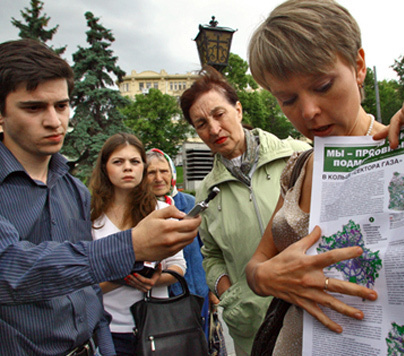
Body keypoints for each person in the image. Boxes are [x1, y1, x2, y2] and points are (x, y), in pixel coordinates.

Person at [245, 1, 404, 355]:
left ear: (359, 66)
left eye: (322, 86)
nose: (308, 111)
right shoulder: (298, 168)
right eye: (287, 99)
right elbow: (258, 262)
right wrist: (264, 278)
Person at [0, 38, 200, 356]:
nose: (54, 121)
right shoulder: (91, 202)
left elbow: (88, 293)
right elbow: (10, 270)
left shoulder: (73, 191)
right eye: (34, 107)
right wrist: (131, 246)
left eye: (62, 106)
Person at [179, 66, 311, 356]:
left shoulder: (299, 156)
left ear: (238, 109)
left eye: (219, 114)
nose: (213, 129)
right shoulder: (206, 193)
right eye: (201, 123)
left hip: (311, 315)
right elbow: (210, 255)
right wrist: (230, 293)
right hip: (251, 328)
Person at [90, 133, 187, 355]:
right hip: (109, 330)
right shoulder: (91, 217)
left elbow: (179, 266)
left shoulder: (162, 211)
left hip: (157, 325)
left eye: (134, 162)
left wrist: (155, 280)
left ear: (143, 167)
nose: (128, 168)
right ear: (105, 168)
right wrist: (124, 279)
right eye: (118, 162)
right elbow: (84, 281)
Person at [146, 148, 211, 338]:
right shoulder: (140, 211)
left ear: (172, 173)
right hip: (163, 299)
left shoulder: (190, 204)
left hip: (197, 293)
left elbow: (206, 248)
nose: (159, 178)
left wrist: (213, 291)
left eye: (164, 171)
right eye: (151, 172)